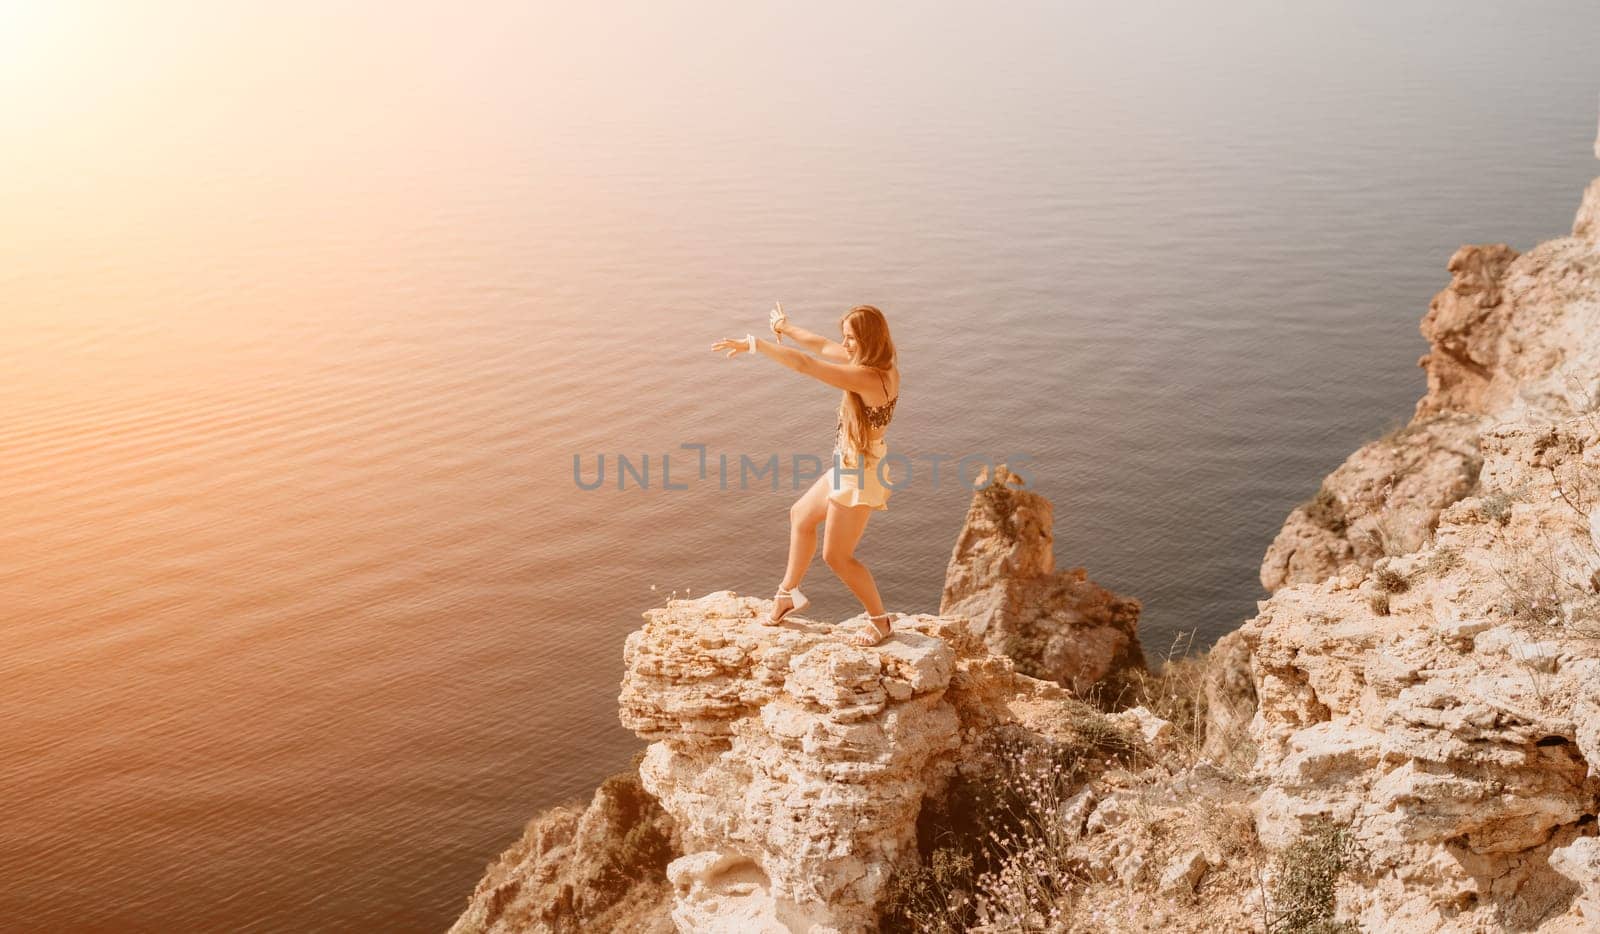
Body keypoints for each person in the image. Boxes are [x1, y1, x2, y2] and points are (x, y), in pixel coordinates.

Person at [710, 305, 901, 646]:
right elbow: (821, 346)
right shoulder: (875, 364)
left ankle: (880, 621)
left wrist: (757, 345)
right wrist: (786, 327)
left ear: (868, 340)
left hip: (859, 474)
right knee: (801, 516)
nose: (846, 344)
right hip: (851, 465)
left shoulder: (867, 377)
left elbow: (806, 364)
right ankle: (787, 595)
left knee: (837, 557)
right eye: (845, 336)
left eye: (851, 338)